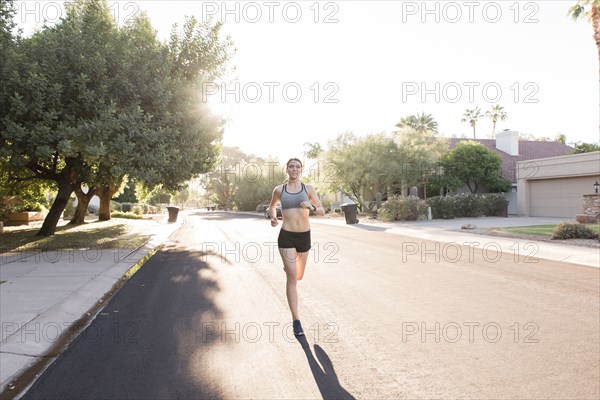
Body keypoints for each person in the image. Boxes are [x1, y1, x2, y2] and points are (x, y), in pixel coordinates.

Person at [268, 158, 325, 336]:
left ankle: (290, 267)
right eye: (291, 166)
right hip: (286, 236)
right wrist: (273, 217)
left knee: (298, 275)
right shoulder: (279, 190)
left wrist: (312, 206)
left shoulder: (308, 189)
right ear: (287, 169)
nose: (294, 169)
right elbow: (272, 206)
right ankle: (296, 320)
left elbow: (322, 211)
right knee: (292, 278)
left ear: (301, 170)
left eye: (297, 166)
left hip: (304, 237)